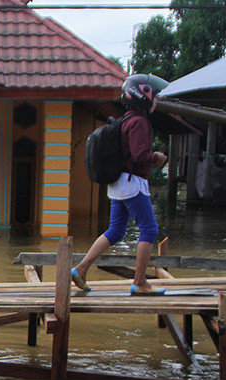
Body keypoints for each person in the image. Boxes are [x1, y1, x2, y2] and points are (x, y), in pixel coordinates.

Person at [72, 73, 170, 295]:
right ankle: (140, 282)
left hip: (119, 183)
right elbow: (140, 155)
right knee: (150, 229)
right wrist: (156, 157)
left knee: (116, 230)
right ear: (143, 96)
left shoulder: (126, 119)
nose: (156, 100)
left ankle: (80, 269)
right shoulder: (139, 122)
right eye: (154, 96)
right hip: (132, 182)